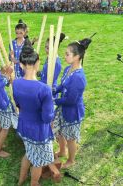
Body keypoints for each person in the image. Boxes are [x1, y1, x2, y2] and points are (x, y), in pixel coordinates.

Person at [13, 44, 60, 186]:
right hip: (38, 131)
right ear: (38, 63)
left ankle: (21, 180)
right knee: (38, 162)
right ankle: (34, 183)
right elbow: (47, 118)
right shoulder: (44, 89)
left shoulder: (15, 83)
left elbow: (18, 104)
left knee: (29, 153)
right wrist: (51, 108)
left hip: (24, 127)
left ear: (21, 65)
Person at [52, 37, 92, 169]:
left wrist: (54, 100)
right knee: (61, 132)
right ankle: (62, 151)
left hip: (72, 112)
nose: (65, 56)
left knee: (70, 138)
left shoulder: (79, 78)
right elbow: (62, 85)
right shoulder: (68, 69)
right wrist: (54, 90)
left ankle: (71, 159)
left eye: (67, 54)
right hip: (64, 108)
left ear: (77, 56)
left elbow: (70, 100)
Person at [39, 33, 66, 97]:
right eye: (45, 47)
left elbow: (51, 79)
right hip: (43, 87)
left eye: (48, 48)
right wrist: (40, 73)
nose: (46, 50)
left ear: (55, 48)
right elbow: (45, 74)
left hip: (49, 91)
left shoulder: (56, 63)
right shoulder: (49, 57)